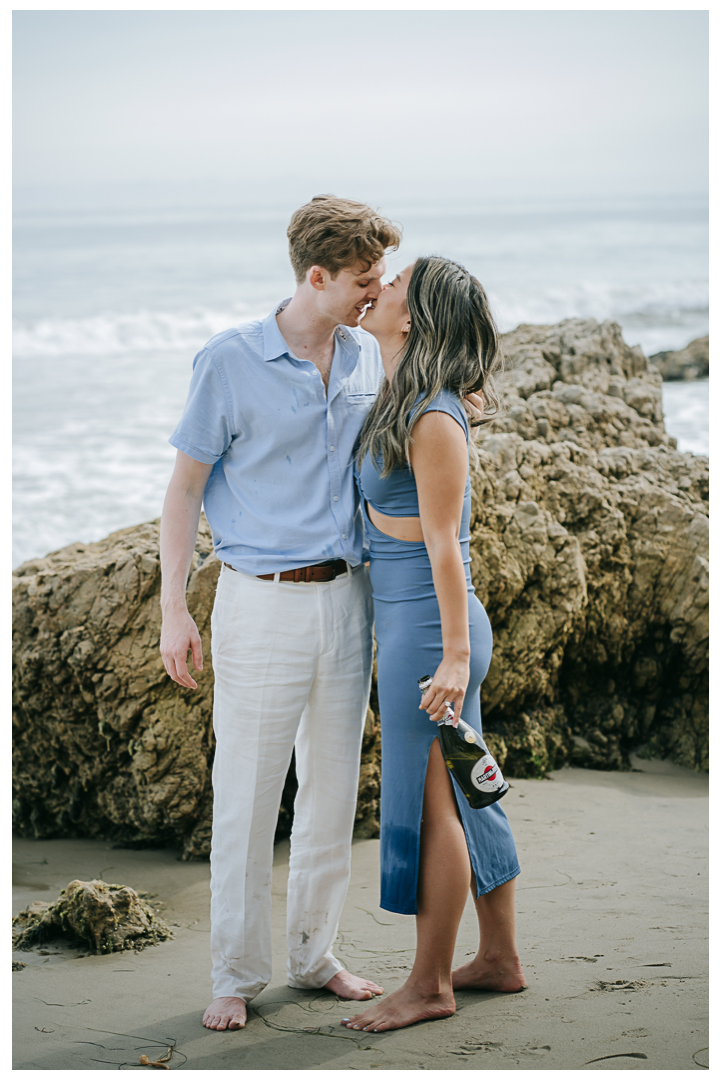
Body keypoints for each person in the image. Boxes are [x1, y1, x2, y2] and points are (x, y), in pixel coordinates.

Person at [159, 195, 403, 1031]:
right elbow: (183, 492)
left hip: (350, 596)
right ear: (316, 275)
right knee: (249, 794)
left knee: (332, 794)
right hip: (259, 605)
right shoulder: (228, 362)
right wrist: (173, 610)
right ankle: (235, 973)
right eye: (362, 281)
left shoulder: (368, 356)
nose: (374, 293)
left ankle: (314, 955)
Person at [341, 257, 526, 1034]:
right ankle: (498, 960)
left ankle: (427, 985)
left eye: (394, 283)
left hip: (432, 632)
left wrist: (451, 657)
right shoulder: (405, 398)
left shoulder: (430, 417)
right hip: (426, 626)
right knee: (469, 788)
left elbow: (446, 545)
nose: (376, 288)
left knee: (433, 802)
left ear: (413, 318)